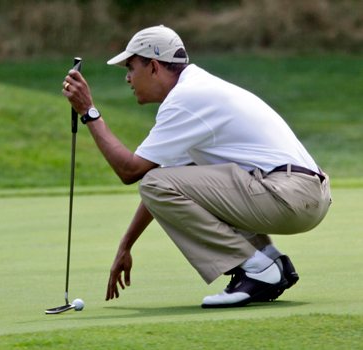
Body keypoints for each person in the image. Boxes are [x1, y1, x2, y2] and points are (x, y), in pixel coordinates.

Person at [61, 25, 332, 308]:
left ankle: (257, 269)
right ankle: (269, 260)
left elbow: (132, 172)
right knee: (160, 181)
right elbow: (168, 184)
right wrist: (126, 244)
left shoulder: (185, 99)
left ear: (154, 67)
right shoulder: (196, 90)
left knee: (152, 182)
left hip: (290, 195)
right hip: (305, 195)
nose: (127, 78)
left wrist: (89, 113)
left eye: (130, 67)